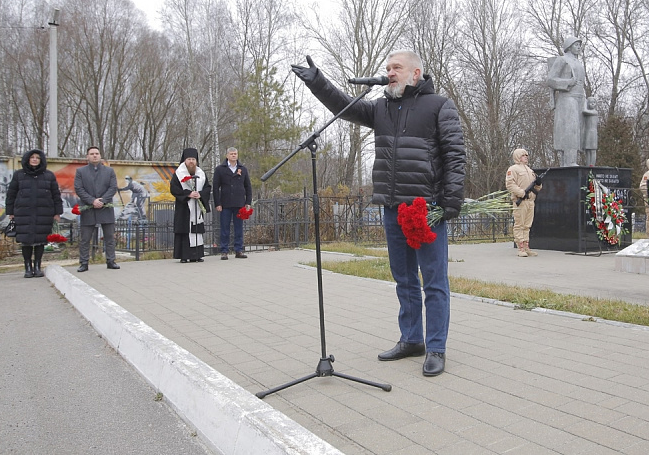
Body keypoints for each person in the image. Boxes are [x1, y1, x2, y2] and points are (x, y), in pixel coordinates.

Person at [291, 51, 465, 377]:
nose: (390, 72)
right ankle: (412, 339)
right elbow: (345, 107)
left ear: (416, 73)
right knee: (404, 279)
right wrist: (318, 83)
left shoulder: (440, 106)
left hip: (426, 208)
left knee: (434, 282)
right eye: (387, 68)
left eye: (396, 67)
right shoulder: (381, 108)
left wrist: (451, 202)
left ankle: (436, 347)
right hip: (392, 207)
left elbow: (455, 155)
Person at [5, 149, 63, 278]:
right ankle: (27, 267)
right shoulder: (19, 175)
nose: (35, 159)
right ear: (27, 159)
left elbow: (56, 195)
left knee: (40, 240)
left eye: (37, 157)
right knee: (25, 241)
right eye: (32, 157)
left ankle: (37, 266)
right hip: (23, 213)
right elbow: (11, 194)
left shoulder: (49, 175)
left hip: (44, 213)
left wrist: (57, 212)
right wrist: (10, 212)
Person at [547, 36, 598, 167]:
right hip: (567, 98)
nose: (579, 47)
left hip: (579, 98)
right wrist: (568, 82)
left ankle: (571, 162)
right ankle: (569, 162)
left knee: (579, 130)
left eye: (580, 45)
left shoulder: (578, 63)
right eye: (576, 45)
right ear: (569, 47)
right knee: (570, 129)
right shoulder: (562, 60)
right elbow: (550, 80)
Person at [74, 146, 119, 272]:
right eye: (92, 154)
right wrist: (92, 201)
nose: (94, 156)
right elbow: (79, 188)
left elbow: (113, 188)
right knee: (85, 239)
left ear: (100, 156)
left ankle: (111, 261)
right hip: (88, 209)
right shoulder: (81, 171)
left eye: (97, 153)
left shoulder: (109, 171)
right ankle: (84, 263)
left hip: (105, 209)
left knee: (109, 237)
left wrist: (102, 201)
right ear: (87, 157)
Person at [170, 148, 211, 263]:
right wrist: (188, 194)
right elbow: (174, 189)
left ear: (196, 161)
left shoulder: (201, 174)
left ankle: (196, 255)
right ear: (185, 160)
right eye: (189, 159)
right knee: (184, 231)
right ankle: (184, 256)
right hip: (184, 208)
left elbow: (208, 188)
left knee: (196, 230)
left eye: (193, 159)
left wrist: (200, 194)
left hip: (197, 207)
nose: (191, 162)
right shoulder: (178, 174)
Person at [212, 147, 252, 260]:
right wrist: (217, 203)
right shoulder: (220, 169)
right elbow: (215, 187)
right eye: (231, 154)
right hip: (225, 204)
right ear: (227, 156)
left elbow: (248, 186)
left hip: (239, 203)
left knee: (238, 228)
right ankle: (224, 251)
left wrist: (248, 202)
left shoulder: (243, 169)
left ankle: (238, 250)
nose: (234, 155)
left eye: (235, 154)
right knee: (224, 228)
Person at [505, 149, 542, 257]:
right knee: (519, 225)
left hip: (530, 201)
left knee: (527, 225)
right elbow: (510, 184)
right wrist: (521, 193)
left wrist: (539, 184)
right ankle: (520, 248)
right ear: (517, 157)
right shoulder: (513, 169)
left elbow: (536, 188)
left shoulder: (530, 170)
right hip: (520, 201)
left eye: (526, 155)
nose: (526, 157)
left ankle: (526, 247)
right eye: (523, 155)